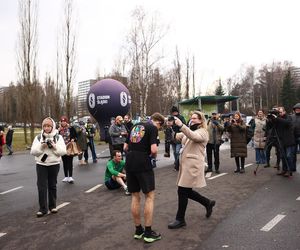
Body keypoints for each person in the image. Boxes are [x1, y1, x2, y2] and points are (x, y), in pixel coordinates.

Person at [168, 111, 216, 229]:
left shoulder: (203, 132)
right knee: (186, 191)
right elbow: (181, 136)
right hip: (186, 165)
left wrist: (181, 125)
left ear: (201, 120)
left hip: (193, 165)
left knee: (182, 191)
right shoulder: (191, 130)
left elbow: (193, 136)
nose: (192, 119)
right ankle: (207, 202)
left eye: (195, 118)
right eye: (192, 118)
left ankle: (180, 219)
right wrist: (170, 126)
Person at [124, 112, 165, 243]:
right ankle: (148, 232)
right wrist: (152, 158)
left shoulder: (134, 126)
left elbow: (125, 147)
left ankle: (138, 230)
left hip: (130, 161)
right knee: (149, 196)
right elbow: (153, 150)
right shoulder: (152, 128)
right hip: (142, 161)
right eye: (160, 127)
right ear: (158, 122)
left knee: (135, 196)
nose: (159, 129)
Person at [30, 117, 66, 217]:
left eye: (48, 126)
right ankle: (42, 209)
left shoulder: (58, 137)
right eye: (45, 126)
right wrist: (42, 147)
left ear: (52, 126)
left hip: (54, 164)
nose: (46, 128)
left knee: (52, 185)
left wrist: (54, 147)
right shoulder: (38, 137)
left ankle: (52, 206)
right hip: (41, 164)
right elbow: (33, 152)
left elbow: (63, 152)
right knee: (41, 186)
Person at [271, 107, 295, 176]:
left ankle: (289, 170)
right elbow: (272, 126)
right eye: (279, 112)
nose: (280, 114)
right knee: (282, 156)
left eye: (281, 112)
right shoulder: (277, 118)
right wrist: (271, 119)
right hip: (281, 140)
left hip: (289, 140)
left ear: (284, 112)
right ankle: (284, 170)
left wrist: (277, 118)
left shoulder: (288, 117)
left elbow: (287, 122)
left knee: (288, 156)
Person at [58, 116, 77, 183]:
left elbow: (75, 135)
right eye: (62, 121)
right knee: (64, 162)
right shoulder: (59, 130)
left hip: (69, 147)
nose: (63, 123)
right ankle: (66, 176)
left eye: (64, 121)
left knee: (69, 161)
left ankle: (70, 177)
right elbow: (56, 138)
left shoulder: (71, 128)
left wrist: (73, 139)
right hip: (62, 147)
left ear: (66, 122)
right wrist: (58, 131)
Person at [170, 106, 186, 171]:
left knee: (177, 151)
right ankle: (176, 162)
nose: (174, 113)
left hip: (179, 136)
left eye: (175, 112)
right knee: (174, 152)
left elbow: (184, 125)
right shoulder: (171, 118)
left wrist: (177, 125)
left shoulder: (181, 117)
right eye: (173, 112)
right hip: (172, 137)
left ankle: (178, 164)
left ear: (177, 112)